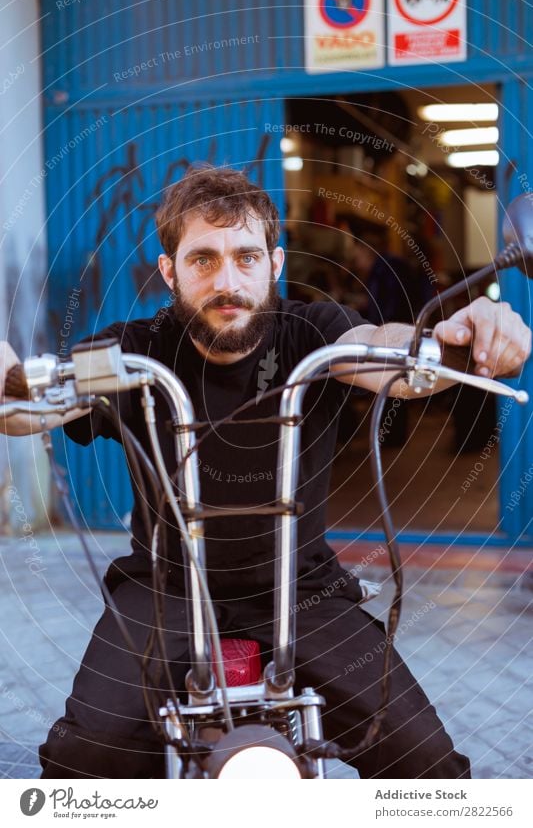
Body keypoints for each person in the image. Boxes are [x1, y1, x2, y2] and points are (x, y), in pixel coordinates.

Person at [0, 166, 530, 779]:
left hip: (303, 590)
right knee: (80, 767)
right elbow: (33, 407)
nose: (227, 281)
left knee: (431, 766)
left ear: (274, 263)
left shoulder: (317, 336)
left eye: (246, 256)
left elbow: (390, 350)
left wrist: (459, 334)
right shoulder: (131, 352)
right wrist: (12, 388)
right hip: (163, 590)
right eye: (202, 260)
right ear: (169, 271)